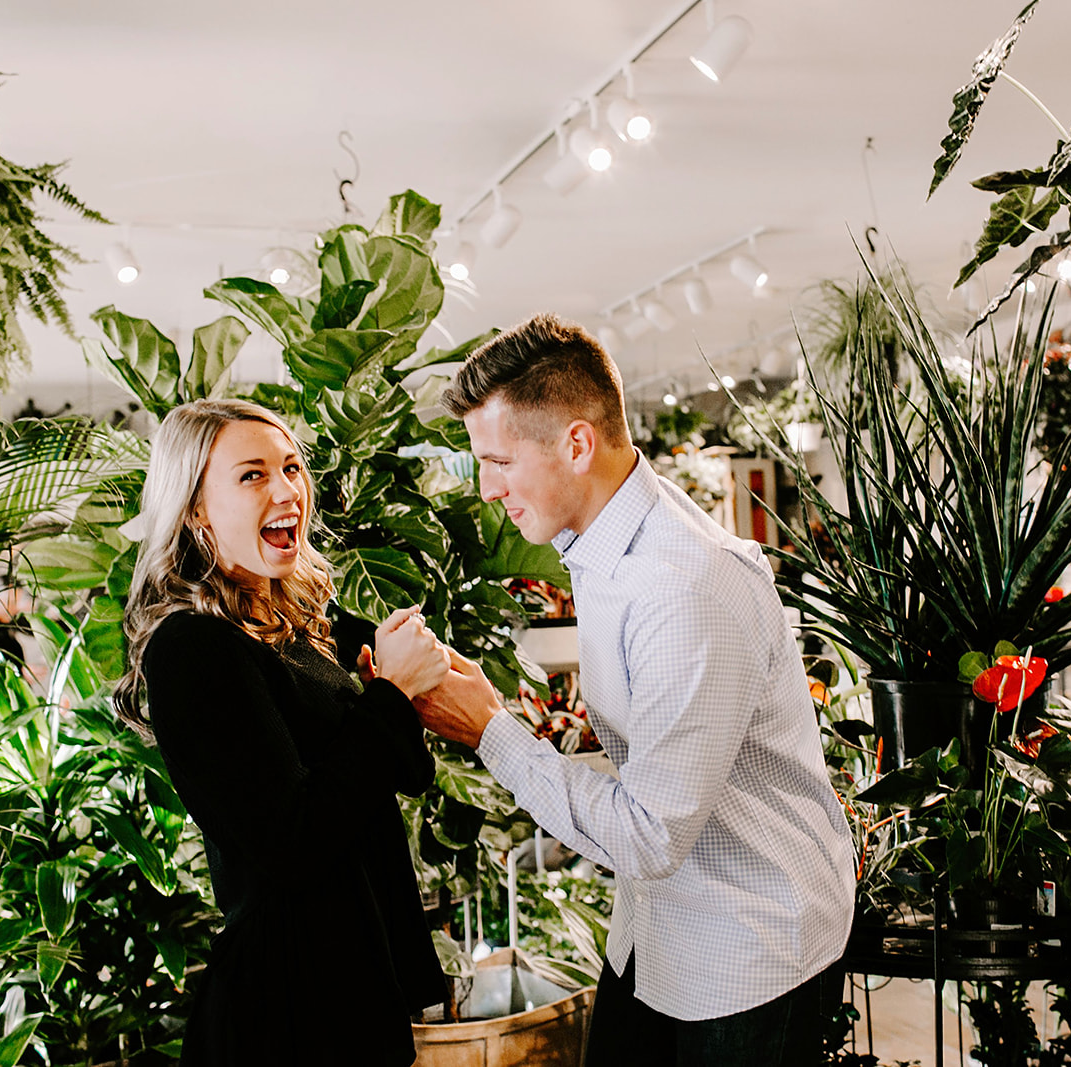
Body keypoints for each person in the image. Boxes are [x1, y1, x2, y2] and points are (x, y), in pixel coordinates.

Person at [415, 314, 856, 1066]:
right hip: (657, 931)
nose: (487, 489)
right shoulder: (599, 538)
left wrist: (490, 729)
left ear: (576, 444)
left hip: (747, 951)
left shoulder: (684, 585)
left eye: (498, 461)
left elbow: (649, 834)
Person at [113, 398, 450, 1066]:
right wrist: (388, 693)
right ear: (196, 508)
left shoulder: (304, 623)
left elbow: (408, 774)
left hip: (357, 983)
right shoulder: (193, 649)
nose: (286, 489)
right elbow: (293, 841)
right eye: (253, 474)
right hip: (289, 1008)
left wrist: (396, 689)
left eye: (291, 467)